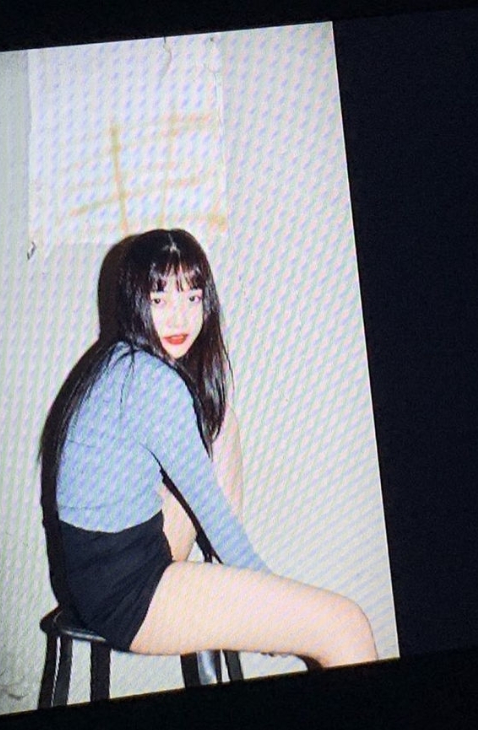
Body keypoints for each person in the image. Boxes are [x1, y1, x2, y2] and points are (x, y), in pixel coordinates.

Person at [40, 228, 377, 669]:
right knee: (345, 626)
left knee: (221, 422)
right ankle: (238, 588)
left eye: (192, 297)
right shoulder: (149, 381)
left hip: (102, 570)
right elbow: (213, 513)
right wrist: (268, 606)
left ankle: (230, 583)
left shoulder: (120, 359)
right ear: (135, 301)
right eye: (160, 299)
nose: (180, 317)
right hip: (125, 595)